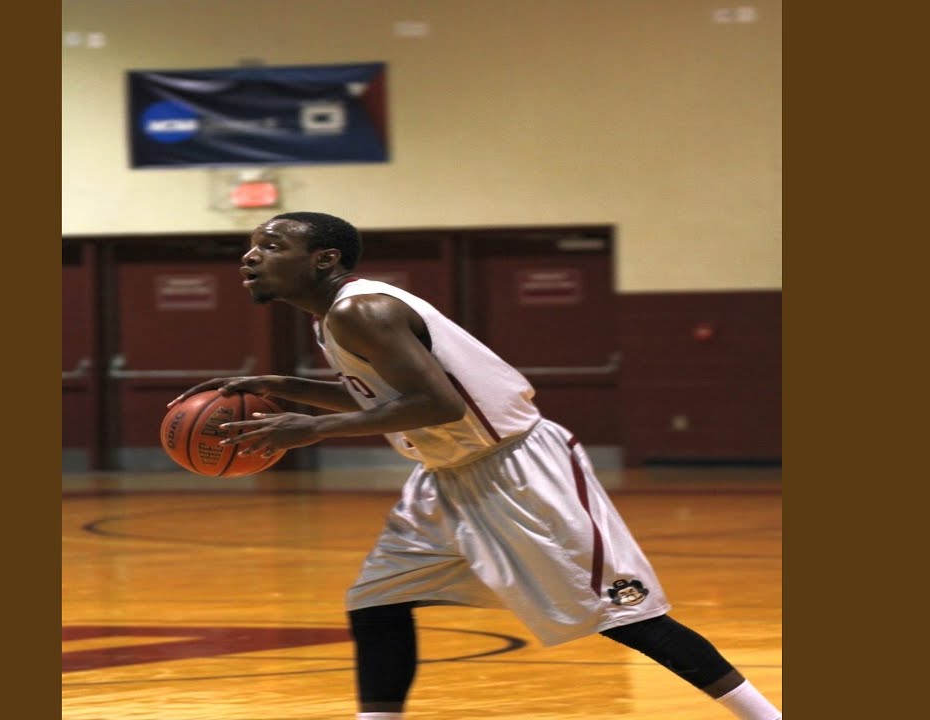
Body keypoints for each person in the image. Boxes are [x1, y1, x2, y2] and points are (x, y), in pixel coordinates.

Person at [170, 211, 782, 720]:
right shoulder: (333, 317)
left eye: (271, 246)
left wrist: (312, 429)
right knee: (377, 601)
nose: (251, 257)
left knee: (622, 613)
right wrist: (282, 386)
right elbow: (384, 396)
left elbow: (439, 404)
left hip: (517, 470)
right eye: (252, 247)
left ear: (324, 259)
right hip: (446, 476)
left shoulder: (364, 311)